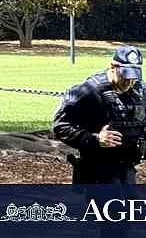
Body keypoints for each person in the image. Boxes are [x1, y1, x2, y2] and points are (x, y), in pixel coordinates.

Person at [53, 45, 145, 237]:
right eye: (125, 75)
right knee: (116, 222)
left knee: (125, 220)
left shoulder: (139, 89)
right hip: (98, 169)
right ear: (113, 66)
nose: (129, 81)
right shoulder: (88, 91)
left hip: (126, 167)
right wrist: (95, 139)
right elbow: (60, 126)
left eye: (133, 75)